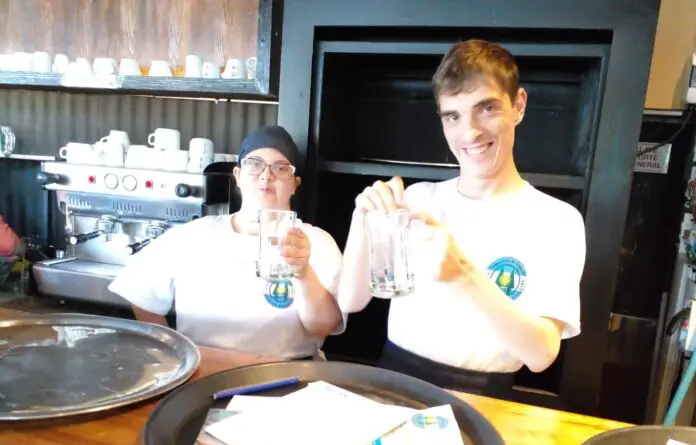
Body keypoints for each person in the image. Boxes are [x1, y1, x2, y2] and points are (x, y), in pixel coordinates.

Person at [337, 40, 586, 397]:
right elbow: (351, 300)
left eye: (487, 108)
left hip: (484, 398)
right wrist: (362, 218)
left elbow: (541, 354)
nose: (469, 132)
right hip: (394, 385)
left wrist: (463, 273)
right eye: (453, 116)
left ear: (518, 105)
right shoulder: (416, 200)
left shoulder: (556, 221)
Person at [109, 125, 345, 363]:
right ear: (238, 176)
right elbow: (140, 292)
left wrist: (303, 273)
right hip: (204, 373)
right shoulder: (192, 236)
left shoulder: (317, 242)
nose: (266, 175)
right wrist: (172, 354)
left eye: (280, 168)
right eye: (255, 164)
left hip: (289, 374)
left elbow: (323, 327)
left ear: (295, 183)